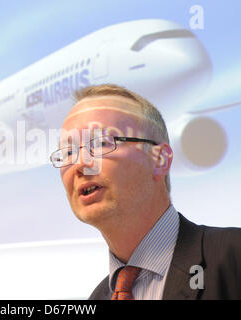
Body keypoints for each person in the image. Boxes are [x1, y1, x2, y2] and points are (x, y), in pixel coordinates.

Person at [50, 84, 241, 300]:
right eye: (68, 152)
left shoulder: (234, 256)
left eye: (102, 143)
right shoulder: (97, 298)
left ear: (159, 160)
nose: (80, 164)